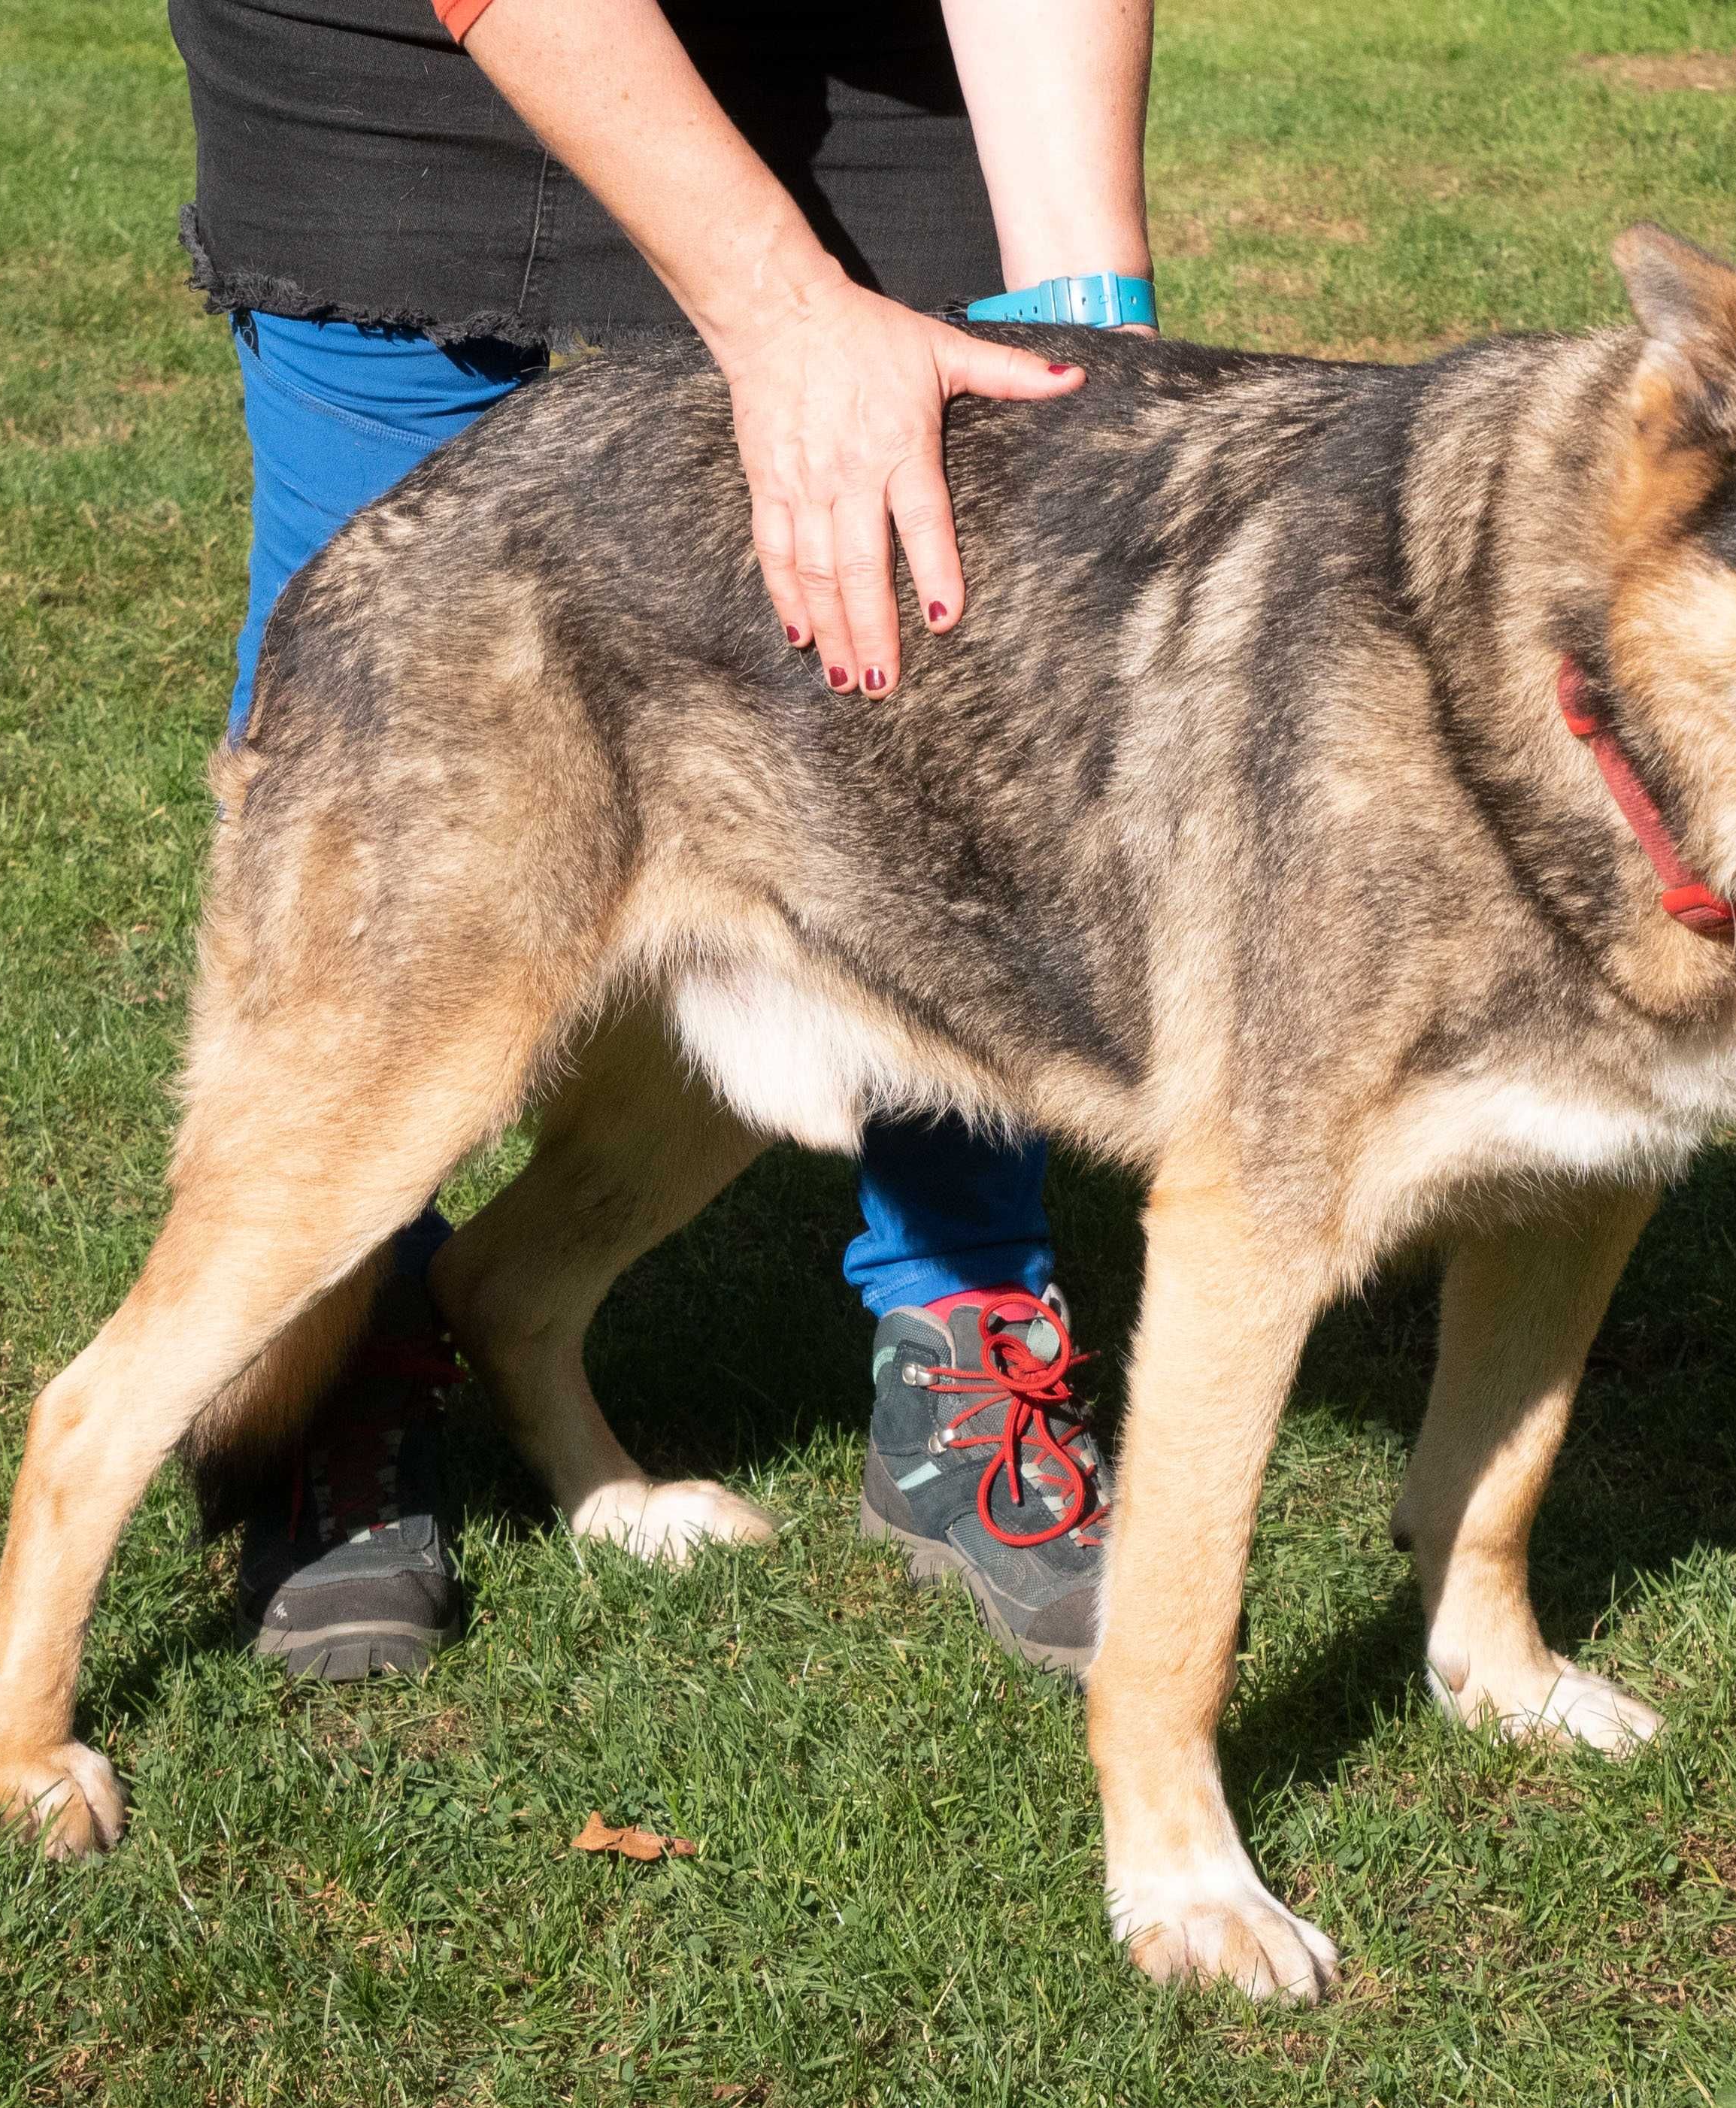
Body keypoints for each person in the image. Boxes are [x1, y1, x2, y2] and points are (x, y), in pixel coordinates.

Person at [168, 0, 1155, 1680]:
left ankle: (964, 1340)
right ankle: (329, 1354)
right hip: (388, 54)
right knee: (403, 674)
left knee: (961, 618)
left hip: (878, 66)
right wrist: (776, 317)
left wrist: (1092, 345)